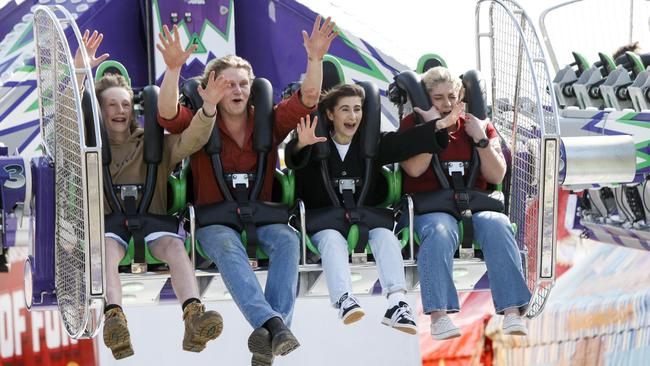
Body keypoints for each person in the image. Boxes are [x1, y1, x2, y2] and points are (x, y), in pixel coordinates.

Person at [156, 17, 337, 365]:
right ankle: (274, 325)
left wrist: (314, 60)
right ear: (212, 87)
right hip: (214, 222)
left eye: (243, 84)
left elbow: (309, 98)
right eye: (229, 84)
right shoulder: (201, 117)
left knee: (287, 240)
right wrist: (173, 69)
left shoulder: (267, 119)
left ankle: (269, 335)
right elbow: (167, 114)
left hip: (263, 215)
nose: (237, 91)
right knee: (227, 245)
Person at [74, 29, 223, 359]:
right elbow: (67, 118)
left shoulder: (151, 142)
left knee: (175, 248)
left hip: (153, 222)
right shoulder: (87, 149)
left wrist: (209, 107)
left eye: (126, 104)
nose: (120, 111)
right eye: (111, 104)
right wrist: (80, 72)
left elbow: (191, 140)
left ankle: (194, 316)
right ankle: (115, 319)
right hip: (111, 226)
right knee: (108, 253)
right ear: (98, 109)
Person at [285, 83, 448, 334]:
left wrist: (436, 126)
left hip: (364, 219)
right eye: (345, 110)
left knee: (385, 236)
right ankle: (344, 299)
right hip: (325, 223)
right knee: (332, 240)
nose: (353, 116)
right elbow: (294, 160)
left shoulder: (370, 145)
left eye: (358, 109)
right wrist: (300, 144)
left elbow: (405, 141)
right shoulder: (315, 142)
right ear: (330, 114)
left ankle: (397, 301)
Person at [398, 66, 531, 340]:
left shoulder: (478, 125)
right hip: (433, 208)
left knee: (498, 224)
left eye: (451, 97)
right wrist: (432, 129)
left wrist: (481, 139)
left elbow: (496, 175)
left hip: (476, 203)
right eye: (437, 98)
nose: (446, 104)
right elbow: (414, 170)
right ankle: (439, 316)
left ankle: (513, 311)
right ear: (425, 99)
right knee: (439, 230)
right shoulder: (412, 125)